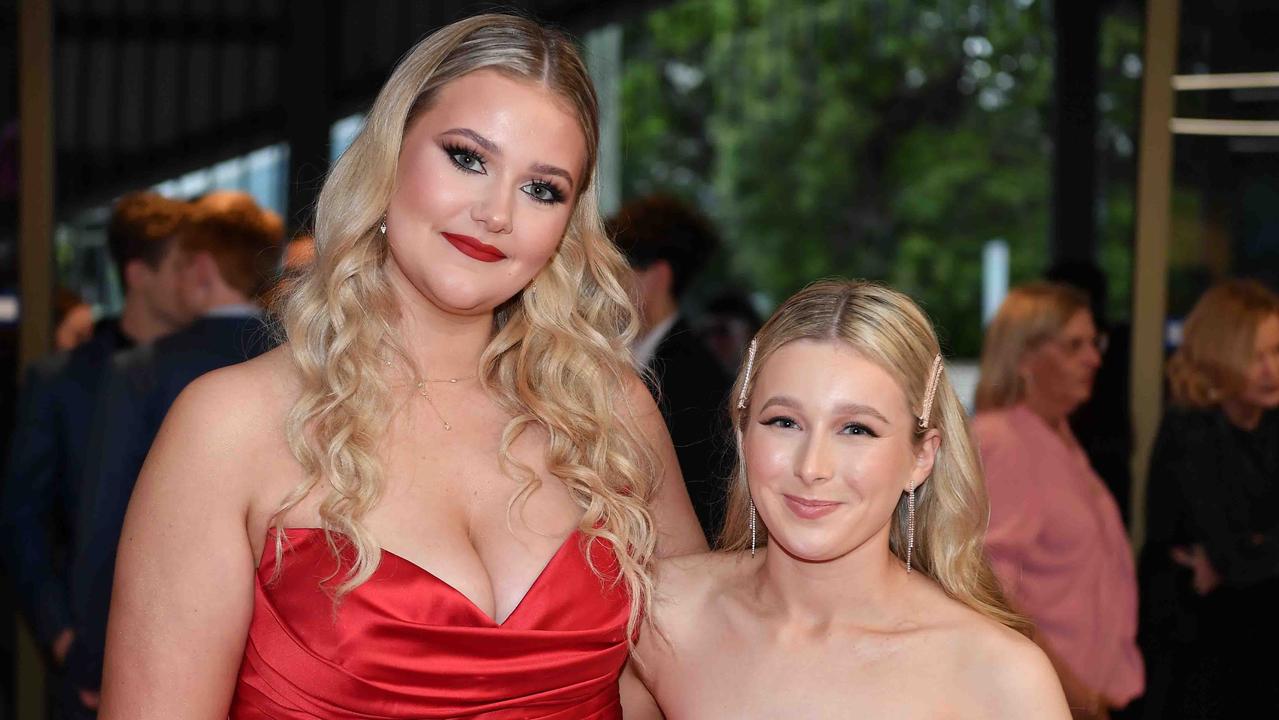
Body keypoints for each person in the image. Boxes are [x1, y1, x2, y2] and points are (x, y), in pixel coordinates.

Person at [98, 15, 705, 719]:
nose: (494, 213)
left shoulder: (609, 414)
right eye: (468, 158)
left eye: (541, 189)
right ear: (389, 156)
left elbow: (699, 672)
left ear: (566, 229)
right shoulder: (230, 426)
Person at [630, 280, 1068, 718]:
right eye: (784, 422)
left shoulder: (1000, 677)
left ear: (921, 456)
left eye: (857, 429)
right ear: (743, 435)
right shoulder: (659, 616)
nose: (812, 466)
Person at [70, 192, 284, 703]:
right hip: (281, 667)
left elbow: (104, 523)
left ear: (202, 268)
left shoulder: (142, 371)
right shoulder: (308, 362)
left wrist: (90, 660)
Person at [0, 191, 191, 718]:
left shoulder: (218, 373)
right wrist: (63, 639)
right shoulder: (60, 380)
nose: (196, 279)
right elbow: (22, 519)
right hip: (90, 660)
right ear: (138, 274)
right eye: (181, 265)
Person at [973, 282, 1144, 719]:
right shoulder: (1005, 440)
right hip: (1045, 700)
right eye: (1074, 345)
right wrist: (1075, 695)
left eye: (1094, 342)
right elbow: (992, 590)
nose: (1095, 358)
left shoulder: (1059, 435)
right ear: (1024, 356)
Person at [1139, 279, 1279, 719]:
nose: (1271, 370)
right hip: (1197, 651)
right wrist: (1245, 552)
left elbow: (1235, 560)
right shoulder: (1191, 429)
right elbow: (1232, 556)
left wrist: (1254, 550)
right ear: (1219, 354)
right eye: (1255, 356)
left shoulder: (1270, 424)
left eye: (1277, 352)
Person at [609, 194, 734, 541]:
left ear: (656, 277)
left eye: (615, 270)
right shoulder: (635, 359)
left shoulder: (694, 380)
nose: (603, 287)